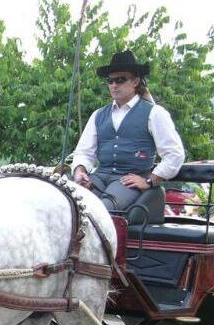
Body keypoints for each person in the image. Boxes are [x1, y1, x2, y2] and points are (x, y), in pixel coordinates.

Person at [71, 50, 185, 221]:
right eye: (110, 81)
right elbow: (84, 152)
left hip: (128, 180)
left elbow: (174, 154)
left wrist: (150, 180)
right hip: (99, 177)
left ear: (135, 81)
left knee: (100, 211)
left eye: (120, 79)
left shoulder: (154, 113)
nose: (114, 85)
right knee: (66, 203)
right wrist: (80, 171)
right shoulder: (98, 115)